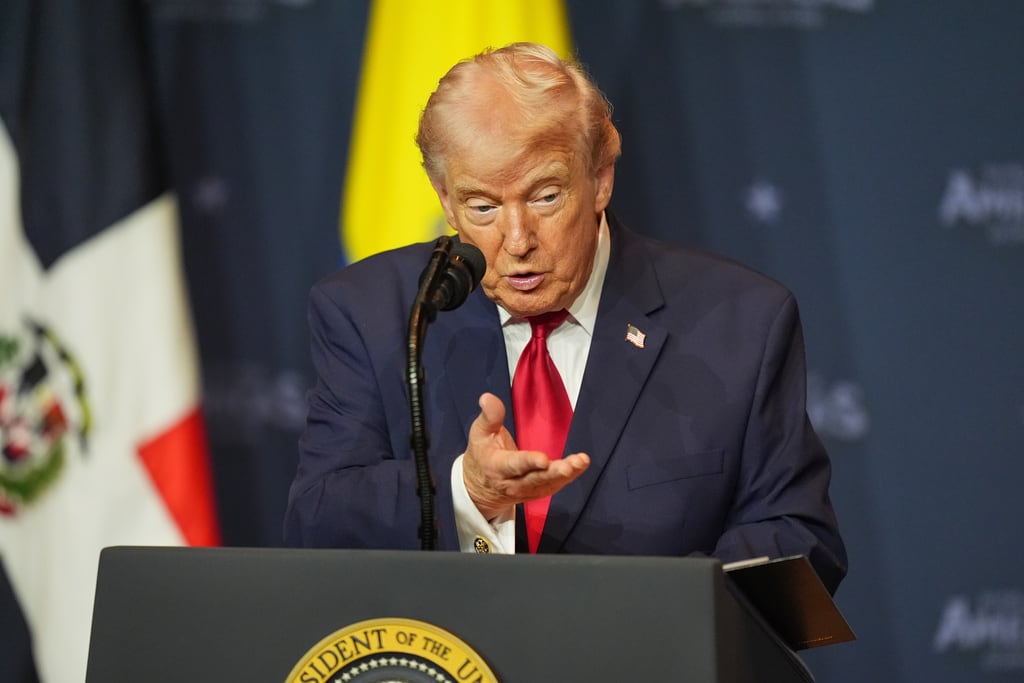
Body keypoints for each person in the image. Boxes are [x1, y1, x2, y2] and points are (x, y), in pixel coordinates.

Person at [284, 42, 847, 593]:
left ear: (600, 178)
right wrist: (467, 491)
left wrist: (654, 618)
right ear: (445, 199)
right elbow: (319, 520)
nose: (517, 240)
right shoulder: (373, 313)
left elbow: (800, 542)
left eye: (546, 196)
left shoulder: (740, 322)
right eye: (481, 207)